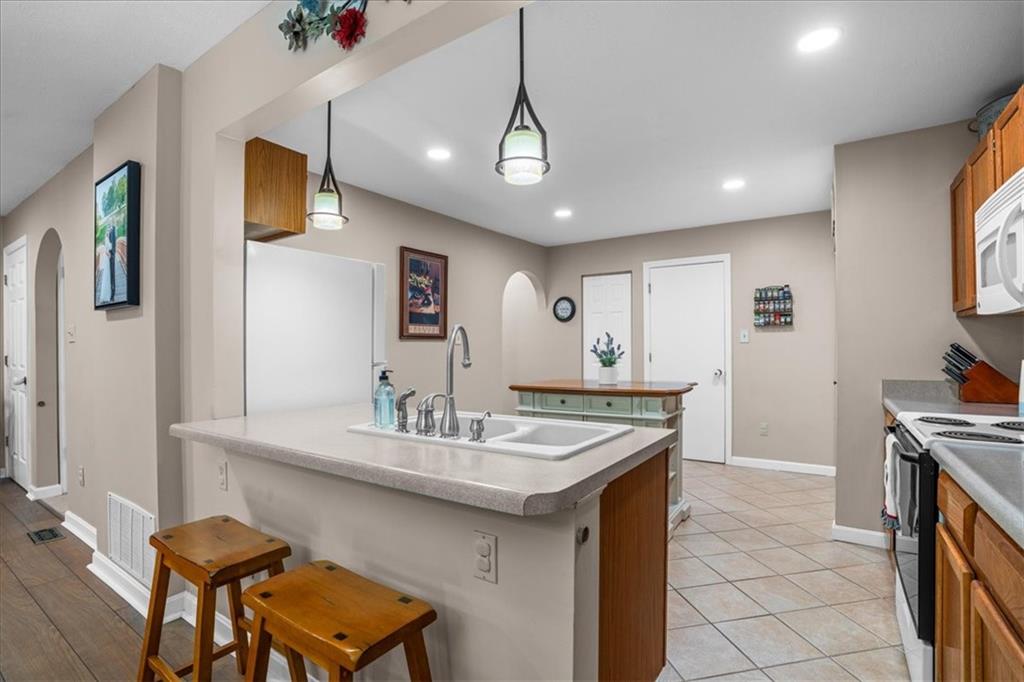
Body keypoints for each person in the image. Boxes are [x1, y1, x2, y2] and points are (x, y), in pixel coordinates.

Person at [106, 224, 116, 302]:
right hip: (109, 255)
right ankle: (111, 294)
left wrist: (112, 253)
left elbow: (113, 244)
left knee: (111, 275)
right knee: (109, 275)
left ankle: (112, 294)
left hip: (111, 255)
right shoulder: (109, 232)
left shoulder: (113, 230)